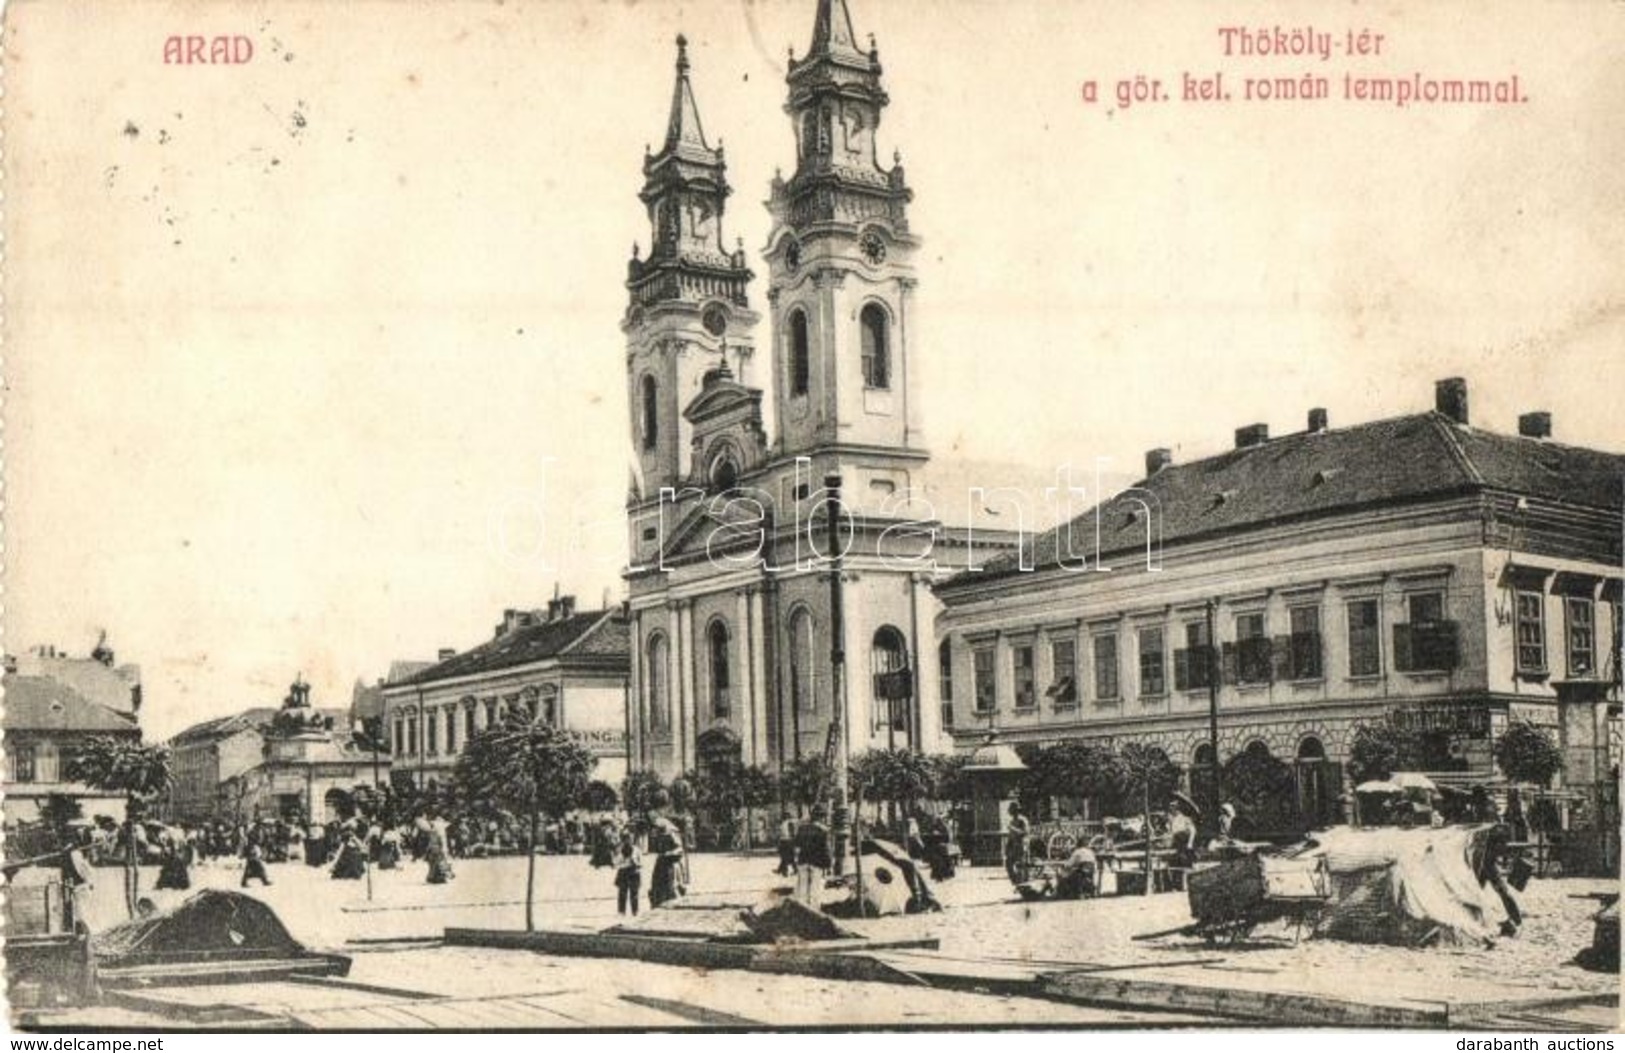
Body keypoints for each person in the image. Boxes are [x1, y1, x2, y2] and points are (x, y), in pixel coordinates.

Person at [794, 808, 833, 905]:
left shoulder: (802, 828)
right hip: (817, 862)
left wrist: (796, 859)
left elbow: (796, 845)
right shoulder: (824, 830)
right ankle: (813, 910)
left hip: (803, 860)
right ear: (821, 817)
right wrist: (829, 865)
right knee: (815, 889)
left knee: (802, 888)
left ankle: (802, 909)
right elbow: (826, 849)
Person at [648, 818, 685, 907]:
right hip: (661, 862)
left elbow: (680, 849)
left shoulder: (671, 834)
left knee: (671, 884)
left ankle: (673, 901)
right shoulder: (658, 836)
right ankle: (659, 902)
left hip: (670, 862)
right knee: (657, 884)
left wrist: (670, 853)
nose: (656, 829)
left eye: (658, 828)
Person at [614, 830, 642, 916]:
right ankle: (621, 911)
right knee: (622, 893)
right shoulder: (619, 850)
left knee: (634, 893)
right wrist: (624, 862)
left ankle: (635, 910)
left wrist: (635, 862)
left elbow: (641, 863)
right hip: (623, 872)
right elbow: (616, 863)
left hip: (634, 872)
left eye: (630, 839)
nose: (629, 841)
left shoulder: (636, 849)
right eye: (626, 839)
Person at [1004, 803, 1031, 881]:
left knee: (1021, 864)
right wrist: (1008, 845)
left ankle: (1022, 878)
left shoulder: (1022, 820)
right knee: (1008, 863)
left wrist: (1013, 829)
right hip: (1013, 844)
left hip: (1021, 844)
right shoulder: (1012, 820)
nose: (1010, 812)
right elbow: (1011, 835)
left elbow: (1025, 832)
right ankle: (1015, 878)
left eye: (1012, 810)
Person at [775, 811, 797, 877]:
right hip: (786, 841)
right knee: (788, 857)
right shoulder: (786, 824)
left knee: (786, 857)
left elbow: (791, 833)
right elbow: (791, 833)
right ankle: (785, 870)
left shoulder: (785, 824)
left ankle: (784, 871)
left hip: (785, 841)